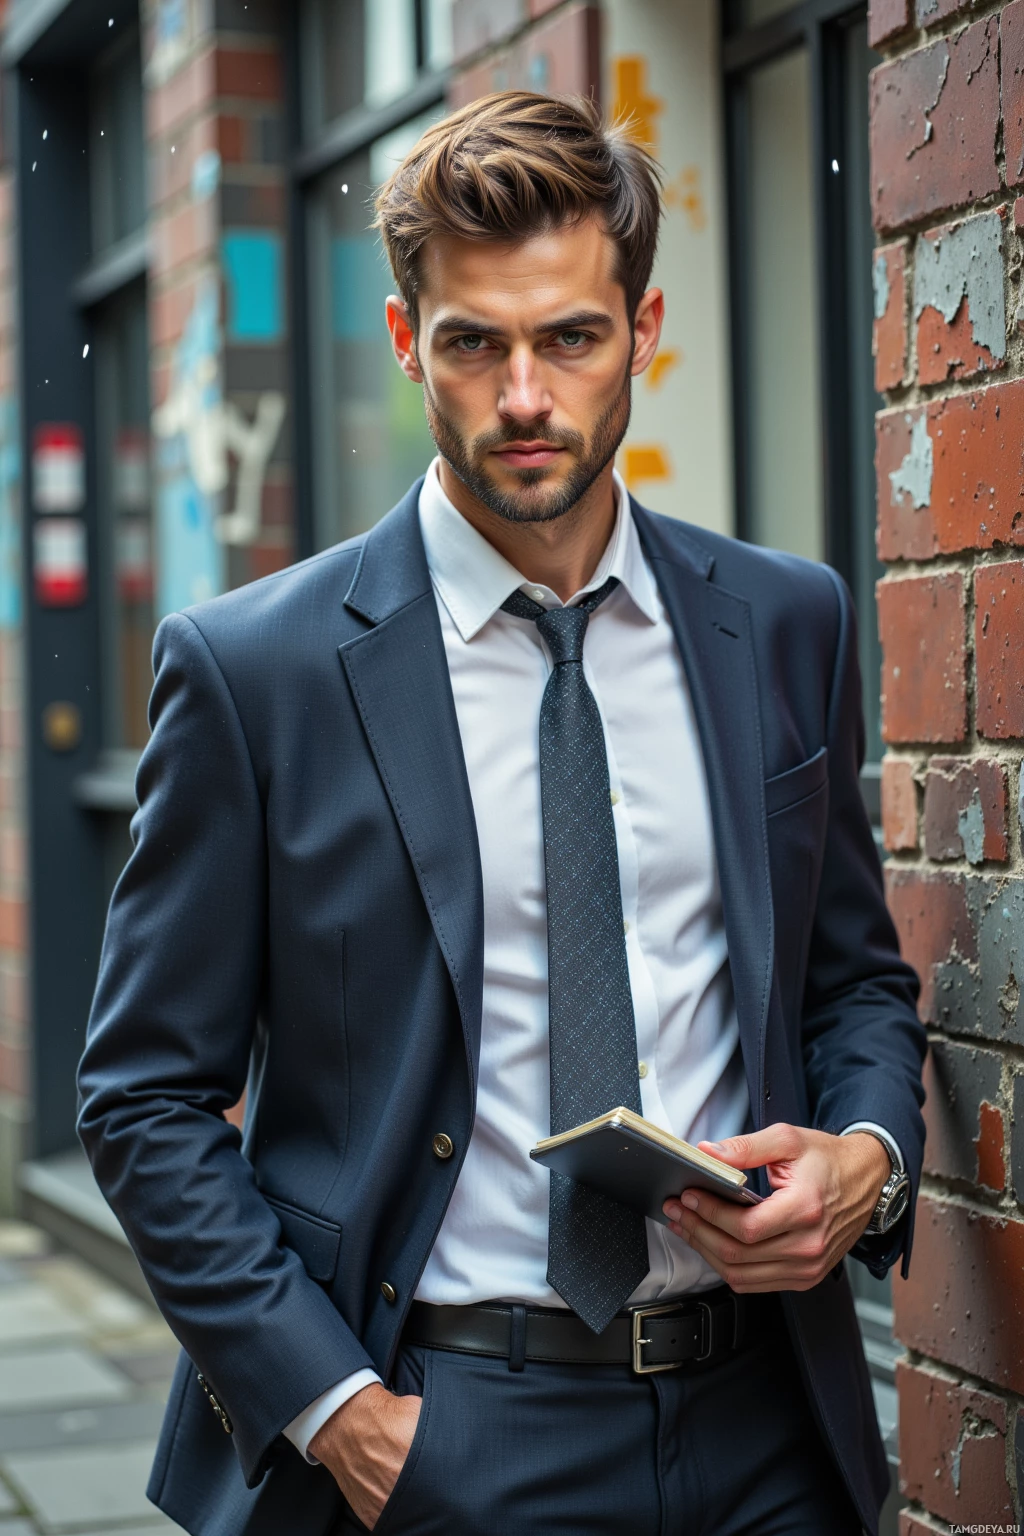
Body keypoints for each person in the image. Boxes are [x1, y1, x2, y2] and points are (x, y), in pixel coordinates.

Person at [77, 91, 926, 1536]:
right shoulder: (256, 672)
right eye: (474, 343)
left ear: (642, 332)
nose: (523, 395)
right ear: (411, 343)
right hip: (450, 1432)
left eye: (571, 338)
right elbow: (146, 1098)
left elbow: (853, 978)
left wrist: (865, 1162)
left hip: (770, 1428)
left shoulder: (785, 622)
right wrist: (343, 1419)